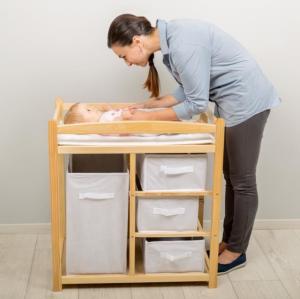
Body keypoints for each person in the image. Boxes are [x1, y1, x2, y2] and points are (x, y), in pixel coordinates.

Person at [107, 14, 281, 274]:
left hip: (247, 102)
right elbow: (193, 85)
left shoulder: (181, 43)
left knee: (242, 180)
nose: (127, 63)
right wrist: (156, 103)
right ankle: (229, 242)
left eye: (123, 56)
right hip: (232, 104)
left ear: (136, 42)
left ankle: (237, 251)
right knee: (231, 178)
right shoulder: (171, 44)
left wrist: (147, 117)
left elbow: (197, 104)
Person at [64, 103, 133, 124]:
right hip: (130, 121)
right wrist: (122, 117)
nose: (92, 108)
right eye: (88, 110)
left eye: (89, 106)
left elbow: (111, 116)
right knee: (139, 116)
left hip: (129, 113)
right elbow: (113, 128)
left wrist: (110, 110)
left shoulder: (103, 116)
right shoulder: (102, 123)